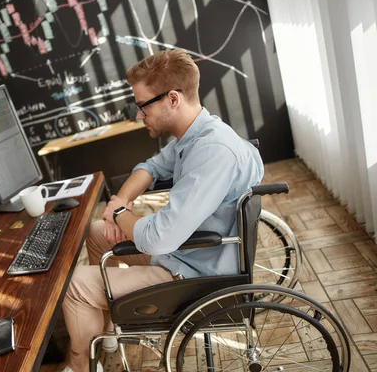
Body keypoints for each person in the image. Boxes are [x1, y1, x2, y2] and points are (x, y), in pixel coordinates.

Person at [61, 49, 264, 372]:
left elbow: (159, 238)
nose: (139, 115)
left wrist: (118, 215)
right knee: (98, 235)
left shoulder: (213, 152)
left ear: (172, 99)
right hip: (188, 252)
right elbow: (152, 166)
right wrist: (122, 201)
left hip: (198, 274)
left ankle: (81, 364)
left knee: (75, 286)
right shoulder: (197, 133)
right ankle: (104, 335)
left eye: (142, 105)